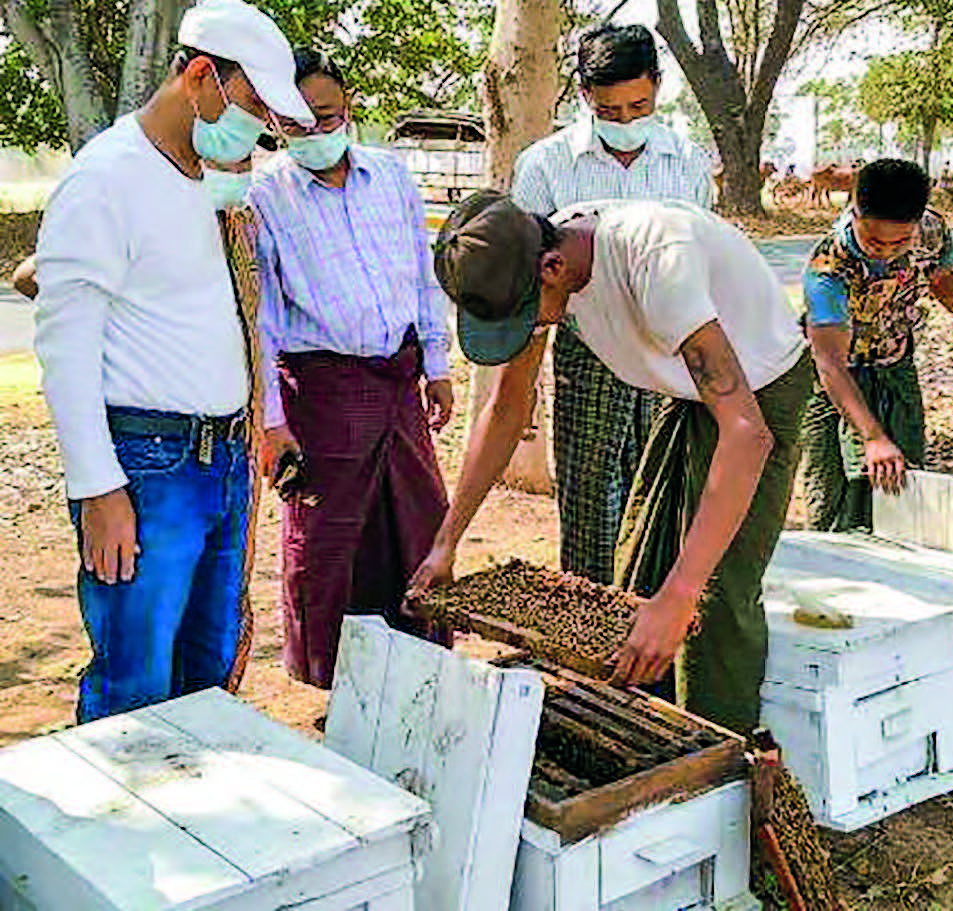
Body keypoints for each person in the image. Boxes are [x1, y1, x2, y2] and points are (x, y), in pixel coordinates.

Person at [411, 194, 811, 735]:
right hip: (691, 394)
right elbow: (507, 407)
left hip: (762, 392)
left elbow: (747, 434)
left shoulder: (657, 260)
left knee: (712, 596)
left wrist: (679, 598)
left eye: (526, 316)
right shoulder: (536, 253)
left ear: (553, 268)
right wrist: (447, 541)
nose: (530, 328)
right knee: (642, 571)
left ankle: (720, 754)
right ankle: (649, 729)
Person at [33, 0, 311, 723]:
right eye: (253, 106)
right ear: (199, 77)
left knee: (205, 676)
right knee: (135, 682)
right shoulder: (107, 178)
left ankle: (193, 797)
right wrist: (99, 487)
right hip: (148, 467)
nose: (259, 128)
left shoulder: (202, 180)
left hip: (221, 462)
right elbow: (65, 344)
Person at [250, 49, 453, 689]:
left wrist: (437, 363)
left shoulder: (391, 176)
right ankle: (332, 680)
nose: (315, 133)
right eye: (297, 123)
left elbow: (423, 276)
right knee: (327, 541)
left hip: (399, 381)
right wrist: (272, 422)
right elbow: (264, 321)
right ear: (274, 123)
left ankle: (420, 670)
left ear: (350, 106)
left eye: (327, 116)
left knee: (417, 522)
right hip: (323, 393)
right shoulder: (263, 197)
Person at [511, 24, 714, 586]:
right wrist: (523, 385)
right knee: (590, 505)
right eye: (609, 110)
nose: (625, 121)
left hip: (668, 357)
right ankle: (592, 618)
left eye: (638, 106)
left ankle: (653, 624)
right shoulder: (545, 165)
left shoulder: (688, 163)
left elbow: (701, 266)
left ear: (658, 86)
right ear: (584, 96)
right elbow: (530, 286)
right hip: (588, 358)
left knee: (663, 503)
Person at [800, 158, 953, 533]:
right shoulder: (828, 268)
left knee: (902, 490)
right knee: (834, 503)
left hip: (895, 365)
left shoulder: (931, 230)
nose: (887, 251)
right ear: (854, 212)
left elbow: (940, 279)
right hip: (834, 384)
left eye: (900, 241)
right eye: (874, 241)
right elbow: (829, 364)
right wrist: (873, 437)